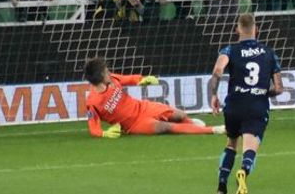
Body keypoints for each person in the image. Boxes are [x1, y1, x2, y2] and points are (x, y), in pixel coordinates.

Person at [208, 13, 284, 194]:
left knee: (231, 143)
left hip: (234, 105)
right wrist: (263, 92)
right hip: (256, 105)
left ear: (237, 30)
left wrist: (213, 96)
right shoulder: (269, 52)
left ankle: (221, 188)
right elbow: (279, 87)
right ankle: (243, 171)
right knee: (250, 146)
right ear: (256, 30)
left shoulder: (229, 50)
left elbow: (217, 72)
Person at [83, 57, 222, 138]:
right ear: (99, 77)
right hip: (134, 124)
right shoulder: (93, 102)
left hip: (142, 107)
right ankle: (213, 129)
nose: (109, 72)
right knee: (165, 127)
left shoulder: (112, 79)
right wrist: (104, 133)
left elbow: (127, 79)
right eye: (106, 72)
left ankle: (190, 124)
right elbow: (93, 128)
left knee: (180, 115)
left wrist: (142, 79)